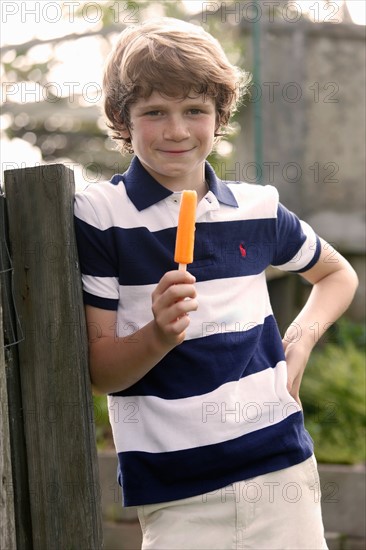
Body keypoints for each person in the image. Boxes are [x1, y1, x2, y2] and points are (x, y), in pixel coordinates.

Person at [74, 17, 358, 550]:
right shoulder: (100, 215)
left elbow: (338, 274)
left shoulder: (258, 207)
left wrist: (300, 340)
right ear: (121, 118)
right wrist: (158, 333)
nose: (177, 130)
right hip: (175, 492)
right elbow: (102, 372)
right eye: (154, 112)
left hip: (280, 470)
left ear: (220, 115)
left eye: (195, 111)